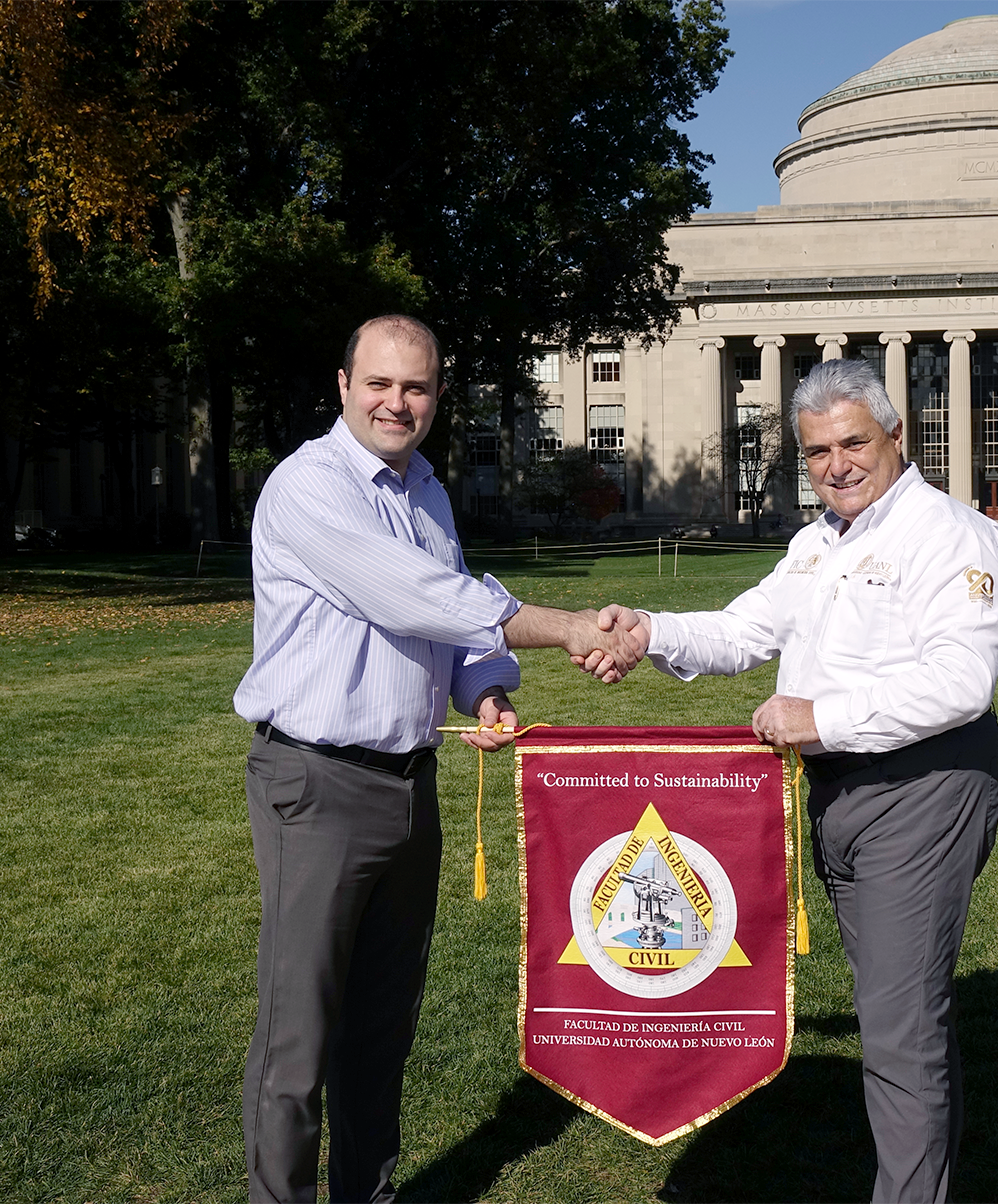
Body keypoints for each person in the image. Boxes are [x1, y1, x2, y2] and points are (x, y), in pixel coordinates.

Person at [232, 314, 637, 1204]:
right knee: (298, 1039)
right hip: (317, 784)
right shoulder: (309, 488)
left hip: (413, 789)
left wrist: (486, 690)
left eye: (415, 387)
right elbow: (421, 595)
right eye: (378, 384)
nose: (396, 402)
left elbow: (452, 633)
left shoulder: (425, 491)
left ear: (438, 397)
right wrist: (569, 627)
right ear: (342, 387)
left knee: (381, 1032)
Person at [594, 357, 998, 1204]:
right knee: (901, 1016)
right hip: (840, 797)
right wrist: (650, 628)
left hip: (922, 792)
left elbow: (959, 683)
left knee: (897, 1028)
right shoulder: (819, 539)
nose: (837, 465)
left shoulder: (951, 535)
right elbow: (746, 628)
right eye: (817, 451)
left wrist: (817, 718)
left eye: (854, 443)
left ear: (898, 437)